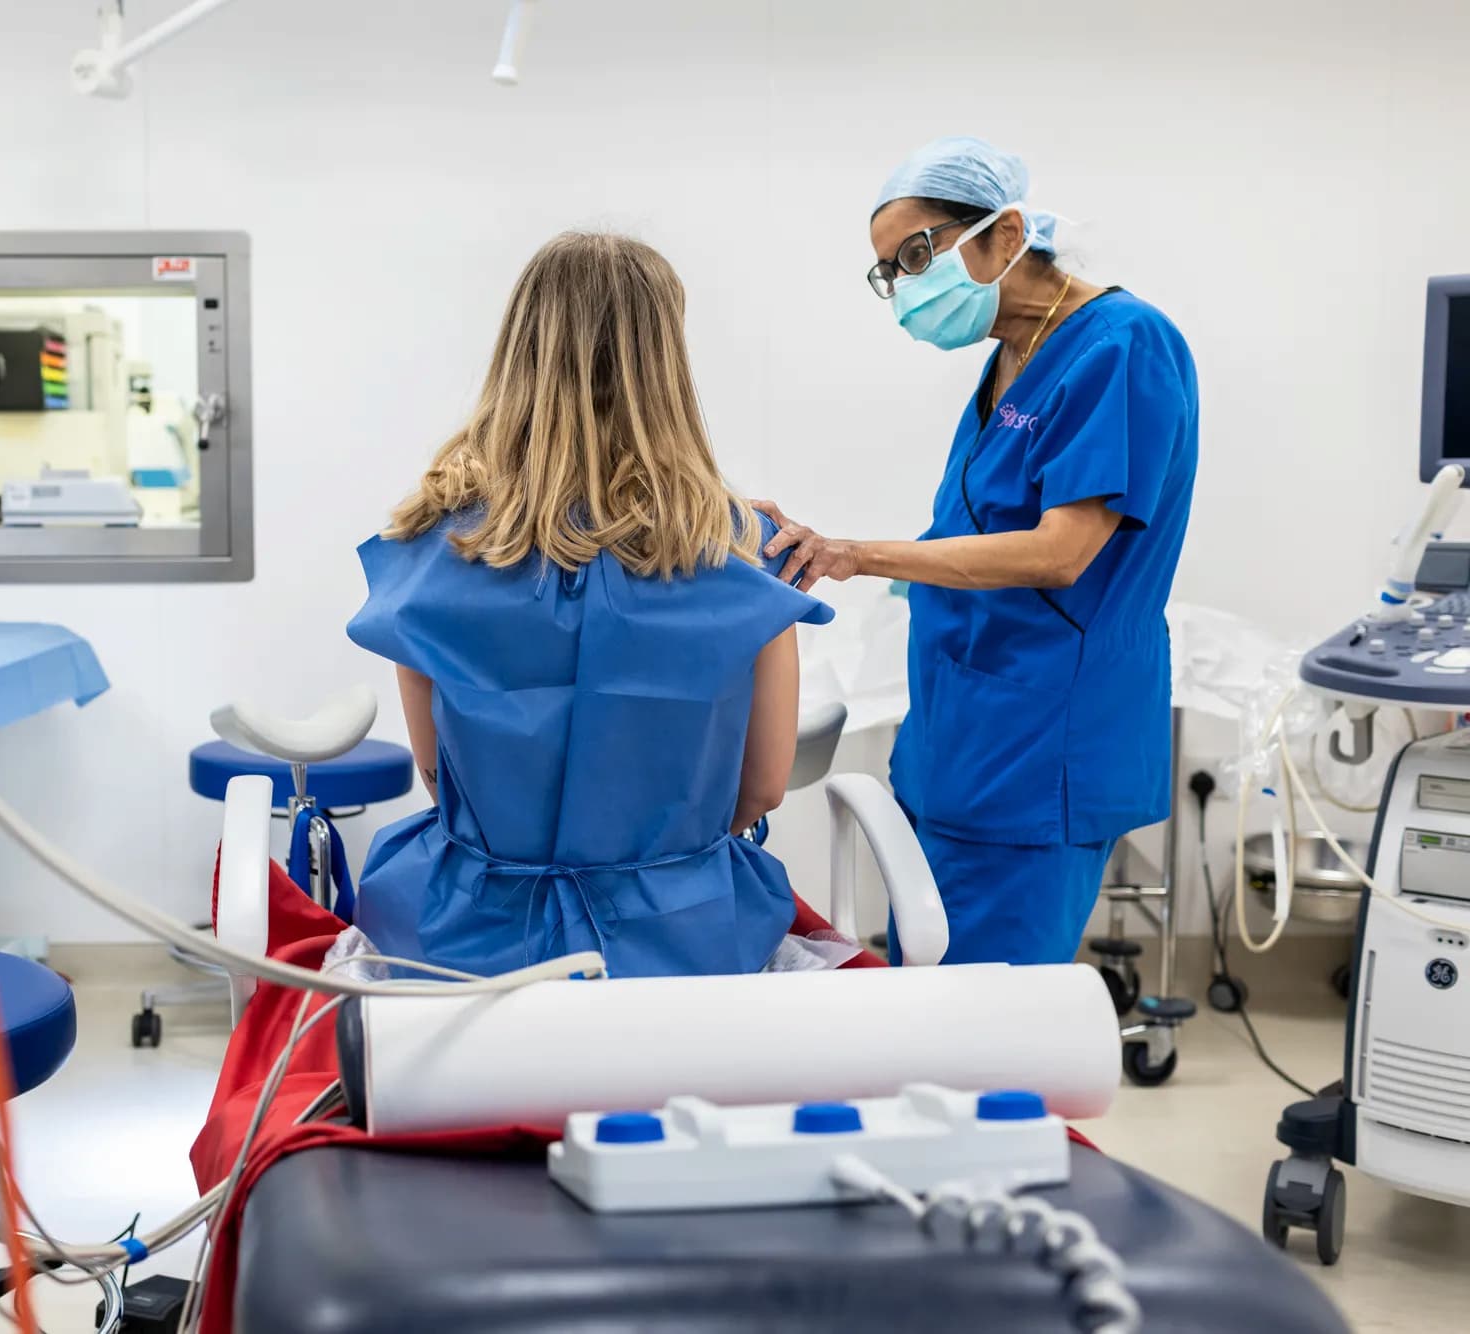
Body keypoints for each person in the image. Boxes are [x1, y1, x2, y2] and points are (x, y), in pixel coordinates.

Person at [345, 232, 840, 979]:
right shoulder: (744, 551)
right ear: (665, 362)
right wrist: (655, 866)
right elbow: (764, 786)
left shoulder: (430, 546)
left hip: (469, 945)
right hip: (684, 942)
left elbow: (437, 772)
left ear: (520, 353)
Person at [756, 136, 1198, 967]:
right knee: (937, 997)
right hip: (960, 738)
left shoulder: (1121, 346)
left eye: (919, 253)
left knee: (990, 1029)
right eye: (892, 270)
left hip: (1040, 747)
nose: (908, 287)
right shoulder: (1014, 353)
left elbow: (1060, 553)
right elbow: (971, 532)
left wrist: (858, 554)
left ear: (1006, 233)